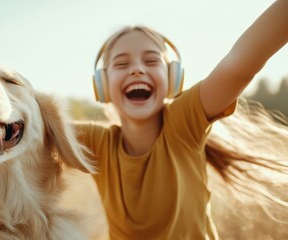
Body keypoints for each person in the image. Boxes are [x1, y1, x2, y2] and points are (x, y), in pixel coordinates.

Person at [75, 0, 288, 239]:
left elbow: (238, 64)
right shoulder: (97, 143)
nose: (136, 70)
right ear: (102, 86)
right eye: (122, 64)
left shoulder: (182, 122)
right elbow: (37, 122)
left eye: (151, 61)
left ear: (173, 79)